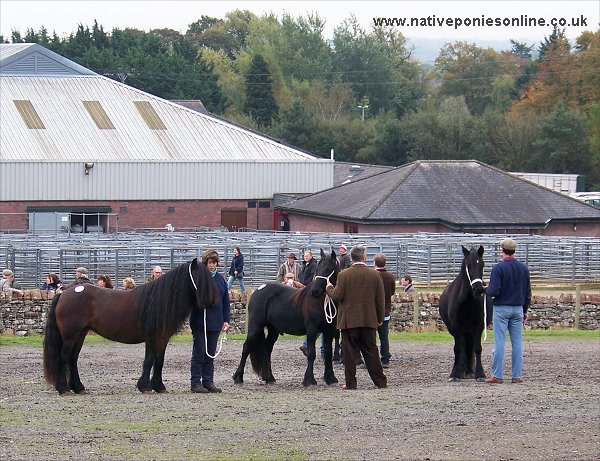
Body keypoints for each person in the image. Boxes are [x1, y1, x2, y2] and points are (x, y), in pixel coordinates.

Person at [325, 245, 387, 390]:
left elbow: (337, 295)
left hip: (348, 321)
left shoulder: (344, 275)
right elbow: (380, 300)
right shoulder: (375, 275)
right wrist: (380, 318)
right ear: (364, 257)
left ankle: (351, 383)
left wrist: (328, 287)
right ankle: (380, 381)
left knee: (349, 354)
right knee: (371, 352)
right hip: (369, 320)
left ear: (352, 258)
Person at [485, 238, 531, 384]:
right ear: (514, 250)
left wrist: (485, 290)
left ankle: (497, 375)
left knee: (500, 342)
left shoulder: (498, 269)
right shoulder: (524, 268)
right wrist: (525, 310)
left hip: (501, 309)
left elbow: (493, 291)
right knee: (517, 343)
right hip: (518, 309)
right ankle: (516, 375)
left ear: (502, 250)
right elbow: (527, 292)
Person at [190, 249, 230, 394]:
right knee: (199, 353)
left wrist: (226, 320)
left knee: (210, 354)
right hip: (200, 323)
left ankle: (208, 381)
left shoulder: (221, 280)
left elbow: (226, 301)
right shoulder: (198, 279)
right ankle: (195, 382)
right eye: (209, 263)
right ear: (205, 263)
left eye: (213, 263)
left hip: (215, 323)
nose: (211, 266)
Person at [374, 253, 396, 368]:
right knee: (384, 337)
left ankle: (372, 358)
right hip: (385, 311)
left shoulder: (372, 275)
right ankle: (385, 358)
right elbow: (392, 292)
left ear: (374, 263)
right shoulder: (391, 277)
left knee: (371, 337)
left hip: (373, 312)